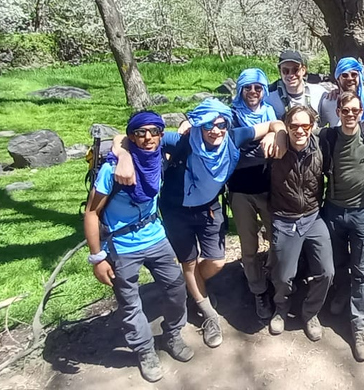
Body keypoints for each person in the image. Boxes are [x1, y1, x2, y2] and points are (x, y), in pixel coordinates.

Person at [114, 99, 284, 349]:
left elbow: (273, 122)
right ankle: (208, 313)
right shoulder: (182, 140)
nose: (216, 130)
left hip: (209, 209)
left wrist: (277, 135)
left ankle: (193, 286)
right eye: (208, 125)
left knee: (216, 261)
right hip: (176, 211)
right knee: (189, 262)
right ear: (199, 126)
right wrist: (123, 157)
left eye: (221, 124)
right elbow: (123, 136)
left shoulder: (234, 137)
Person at [84, 111, 192, 383]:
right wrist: (97, 258)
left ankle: (172, 333)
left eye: (154, 132)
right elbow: (91, 214)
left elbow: (187, 136)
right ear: (132, 137)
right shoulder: (112, 169)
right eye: (140, 133)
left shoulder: (158, 160)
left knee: (176, 287)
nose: (148, 138)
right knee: (131, 304)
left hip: (156, 237)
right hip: (121, 245)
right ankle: (145, 350)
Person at [318, 91, 364, 362]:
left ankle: (359, 327)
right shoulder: (327, 136)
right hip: (333, 211)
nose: (351, 114)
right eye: (346, 110)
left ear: (361, 111)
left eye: (356, 110)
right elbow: (297, 131)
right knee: (337, 263)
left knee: (363, 271)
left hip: (363, 214)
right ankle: (342, 292)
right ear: (338, 111)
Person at [268, 105, 335, 343]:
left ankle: (310, 313)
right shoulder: (275, 149)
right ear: (286, 127)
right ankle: (281, 309)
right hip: (284, 219)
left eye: (304, 125)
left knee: (327, 272)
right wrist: (274, 131)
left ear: (312, 127)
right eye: (294, 126)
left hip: (312, 217)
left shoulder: (321, 147)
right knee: (284, 276)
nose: (299, 130)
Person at [228, 68, 278, 320]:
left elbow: (279, 146)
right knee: (249, 245)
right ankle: (258, 290)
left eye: (258, 87)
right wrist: (260, 148)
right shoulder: (231, 116)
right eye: (248, 87)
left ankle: (271, 276)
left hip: (269, 188)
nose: (253, 92)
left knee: (277, 239)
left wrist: (271, 132)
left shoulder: (271, 114)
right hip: (240, 192)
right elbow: (234, 155)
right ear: (240, 89)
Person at [266, 49, 326, 120]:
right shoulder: (269, 98)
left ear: (303, 70)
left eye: (295, 70)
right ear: (280, 72)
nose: (291, 75)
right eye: (285, 71)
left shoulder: (320, 93)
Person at [317, 57, 364, 126]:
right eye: (345, 75)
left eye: (354, 74)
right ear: (338, 79)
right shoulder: (328, 102)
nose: (350, 78)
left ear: (359, 76)